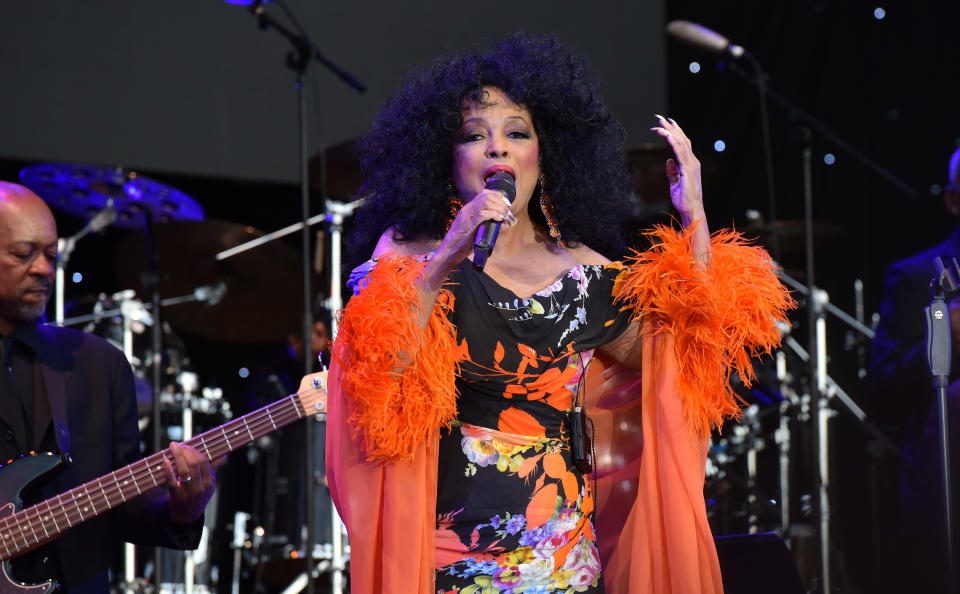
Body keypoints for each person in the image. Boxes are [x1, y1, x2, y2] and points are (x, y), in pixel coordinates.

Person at [311, 33, 793, 593]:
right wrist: (446, 256)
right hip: (448, 566)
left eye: (517, 133)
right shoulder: (409, 256)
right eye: (474, 135)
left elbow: (687, 363)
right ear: (447, 158)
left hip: (564, 564)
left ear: (546, 155)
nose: (498, 149)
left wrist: (696, 219)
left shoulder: (584, 273)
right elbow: (376, 380)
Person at [0, 181, 217, 593]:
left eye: (51, 254)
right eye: (23, 254)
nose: (44, 269)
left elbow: (125, 510)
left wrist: (183, 512)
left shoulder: (97, 363)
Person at [866, 146, 960, 592]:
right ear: (953, 199)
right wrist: (941, 340)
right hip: (945, 484)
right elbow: (882, 390)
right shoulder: (918, 274)